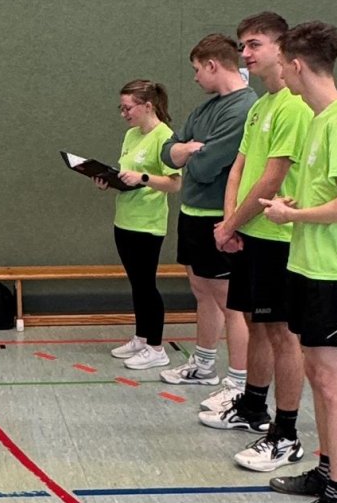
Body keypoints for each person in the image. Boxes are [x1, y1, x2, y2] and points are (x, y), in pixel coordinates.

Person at [262, 21, 337, 503]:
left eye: (281, 63)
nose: (278, 73)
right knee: (315, 373)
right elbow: (326, 196)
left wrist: (293, 216)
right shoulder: (317, 119)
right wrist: (295, 205)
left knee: (332, 384)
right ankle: (325, 472)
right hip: (307, 266)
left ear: (296, 65)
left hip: (334, 272)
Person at [202, 14, 313, 473]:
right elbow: (240, 167)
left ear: (282, 48)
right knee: (257, 324)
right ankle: (252, 407)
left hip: (278, 238)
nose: (245, 53)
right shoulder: (261, 105)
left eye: (254, 44)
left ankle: (286, 434)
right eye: (242, 45)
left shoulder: (294, 106)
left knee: (283, 333)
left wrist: (231, 224)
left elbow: (273, 177)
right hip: (249, 232)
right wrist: (230, 224)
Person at [159, 34, 257, 387]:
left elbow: (203, 168)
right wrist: (187, 149)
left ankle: (239, 381)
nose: (195, 77)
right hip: (192, 213)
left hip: (219, 217)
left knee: (230, 302)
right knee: (202, 292)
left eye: (197, 69)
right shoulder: (205, 109)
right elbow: (168, 150)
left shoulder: (243, 109)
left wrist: (190, 154)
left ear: (213, 65)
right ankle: (203, 366)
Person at [101, 81, 181, 370]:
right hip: (124, 218)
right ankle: (141, 336)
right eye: (121, 108)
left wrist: (143, 178)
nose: (124, 114)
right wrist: (109, 180)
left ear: (148, 106)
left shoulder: (165, 137)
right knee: (136, 283)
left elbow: (174, 183)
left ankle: (156, 347)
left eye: (128, 108)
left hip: (148, 223)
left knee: (146, 284)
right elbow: (126, 174)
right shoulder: (131, 135)